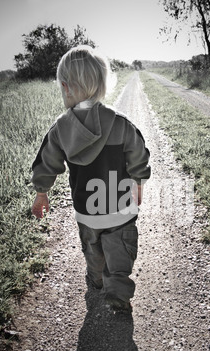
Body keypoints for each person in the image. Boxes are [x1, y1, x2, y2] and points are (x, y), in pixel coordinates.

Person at [31, 46, 151, 312]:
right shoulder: (121, 124)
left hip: (87, 212)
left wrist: (42, 192)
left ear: (65, 87)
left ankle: (96, 279)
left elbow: (46, 162)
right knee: (120, 253)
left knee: (93, 250)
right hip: (121, 208)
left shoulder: (61, 129)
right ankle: (117, 290)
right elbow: (139, 155)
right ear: (102, 84)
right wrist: (139, 181)